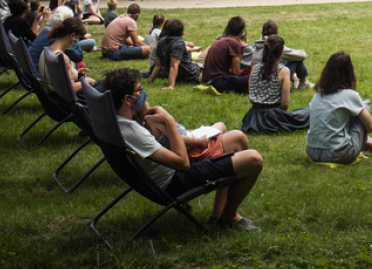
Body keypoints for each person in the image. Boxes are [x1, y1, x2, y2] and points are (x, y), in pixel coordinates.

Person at [101, 67, 264, 231]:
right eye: (139, 90)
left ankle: (219, 215)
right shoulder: (134, 133)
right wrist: (169, 121)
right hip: (175, 181)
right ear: (128, 99)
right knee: (254, 159)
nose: (143, 93)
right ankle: (227, 217)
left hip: (161, 179)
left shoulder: (115, 123)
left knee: (236, 139)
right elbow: (183, 163)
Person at [305, 51, 372, 164]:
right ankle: (358, 150)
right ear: (349, 73)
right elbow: (370, 127)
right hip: (338, 154)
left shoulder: (318, 93)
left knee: (348, 111)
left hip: (312, 151)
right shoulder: (350, 95)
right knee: (364, 106)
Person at [240, 35, 310, 134]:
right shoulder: (284, 71)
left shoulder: (255, 68)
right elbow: (285, 104)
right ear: (282, 52)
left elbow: (250, 91)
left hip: (252, 117)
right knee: (309, 113)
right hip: (272, 117)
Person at [244, 19, 310, 88]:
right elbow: (302, 56)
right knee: (296, 59)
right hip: (272, 83)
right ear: (277, 32)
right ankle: (303, 82)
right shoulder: (276, 46)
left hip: (256, 82)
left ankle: (295, 80)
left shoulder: (255, 46)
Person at [40, 17, 96, 93]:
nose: (77, 42)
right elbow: (72, 88)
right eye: (78, 38)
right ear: (72, 36)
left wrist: (76, 73)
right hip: (65, 100)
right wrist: (87, 81)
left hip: (53, 97)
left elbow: (58, 76)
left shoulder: (46, 51)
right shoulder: (62, 58)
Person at [201, 16, 250, 93]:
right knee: (253, 78)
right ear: (242, 31)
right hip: (219, 82)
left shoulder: (221, 41)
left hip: (210, 81)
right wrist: (241, 52)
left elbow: (230, 70)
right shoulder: (234, 43)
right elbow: (236, 71)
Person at [148, 18, 202, 89]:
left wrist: (150, 81)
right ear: (182, 33)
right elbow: (173, 66)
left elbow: (158, 65)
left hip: (181, 75)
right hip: (192, 75)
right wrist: (171, 86)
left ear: (167, 31)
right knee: (206, 55)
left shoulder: (161, 41)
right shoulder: (178, 44)